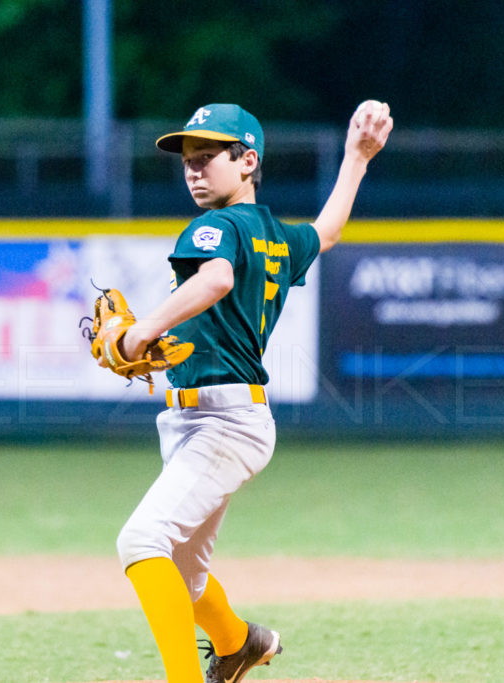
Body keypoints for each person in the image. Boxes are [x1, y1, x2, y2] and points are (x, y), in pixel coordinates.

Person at [111, 101, 392, 682]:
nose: (193, 169)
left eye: (208, 156)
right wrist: (356, 158)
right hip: (211, 421)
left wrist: (142, 330)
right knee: (184, 574)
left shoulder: (218, 227)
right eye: (188, 159)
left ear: (248, 162)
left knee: (141, 541)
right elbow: (329, 231)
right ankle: (241, 643)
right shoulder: (274, 234)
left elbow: (216, 277)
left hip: (222, 421)